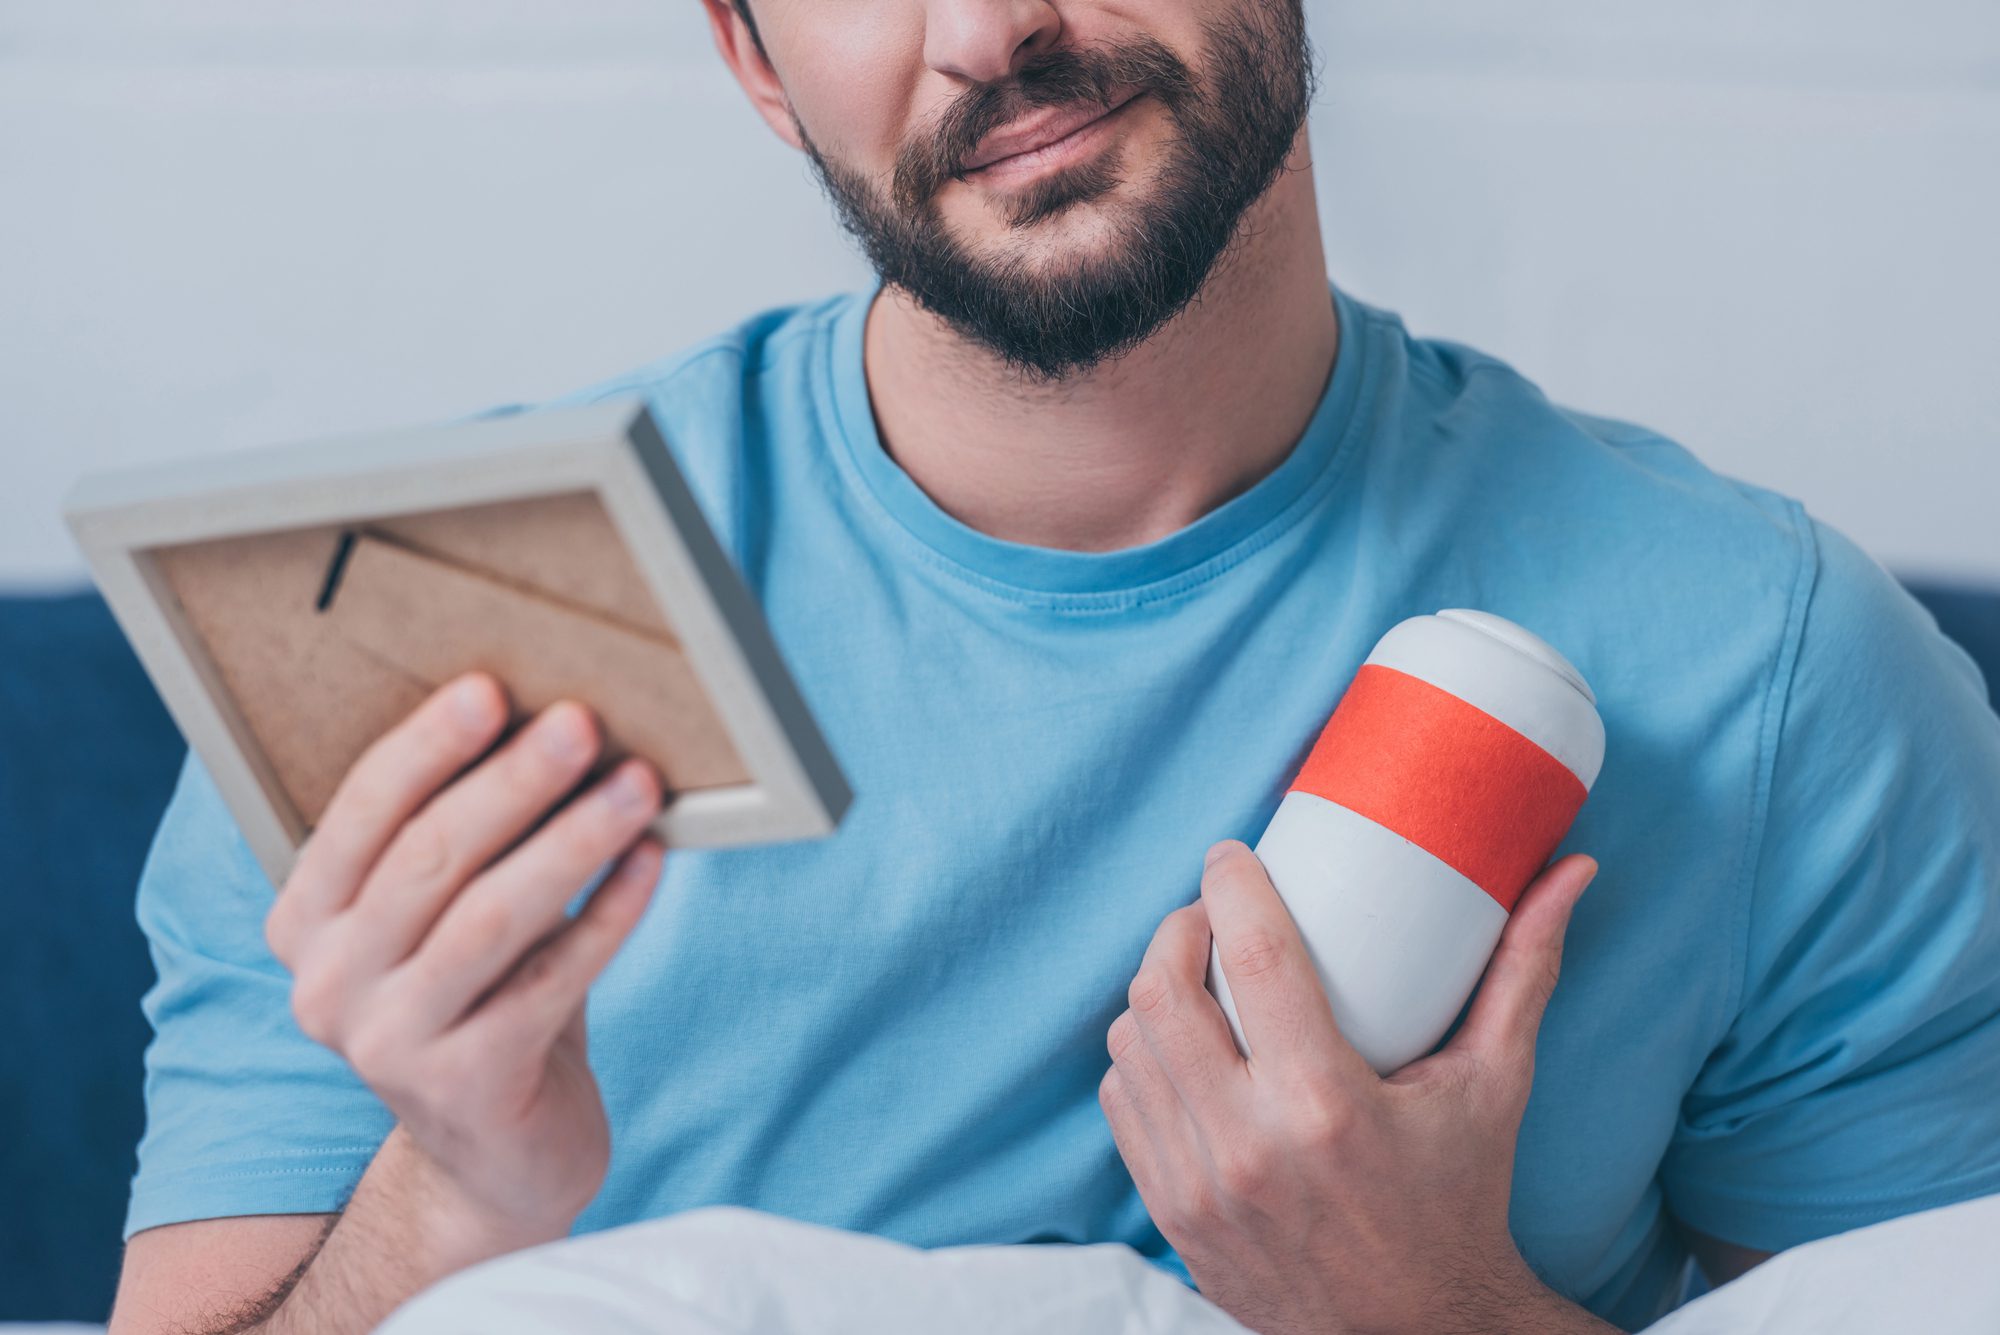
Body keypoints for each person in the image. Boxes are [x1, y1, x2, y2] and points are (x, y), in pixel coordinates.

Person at [109, 2, 2000, 1332]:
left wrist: (1431, 1315)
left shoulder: (1780, 674)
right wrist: (455, 1195)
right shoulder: (421, 644)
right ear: (753, 59)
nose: (986, 26)